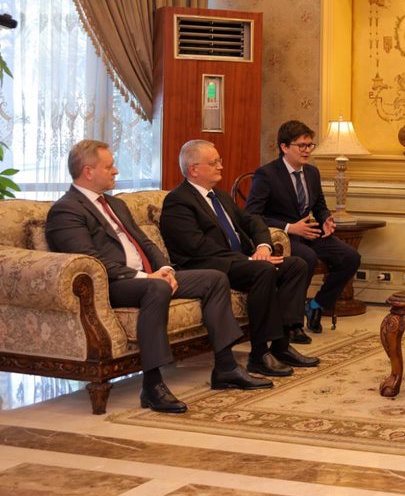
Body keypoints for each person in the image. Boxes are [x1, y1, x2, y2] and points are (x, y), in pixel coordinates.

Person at [45, 140, 270, 414]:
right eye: (109, 166)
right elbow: (90, 260)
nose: (116, 171)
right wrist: (144, 276)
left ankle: (225, 367)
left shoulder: (115, 203)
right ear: (88, 171)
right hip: (112, 284)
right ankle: (152, 385)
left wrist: (166, 270)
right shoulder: (67, 209)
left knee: (214, 279)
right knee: (157, 289)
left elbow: (146, 243)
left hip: (147, 276)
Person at [160, 139, 318, 378]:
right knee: (263, 270)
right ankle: (259, 354)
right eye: (214, 162)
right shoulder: (178, 201)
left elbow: (253, 221)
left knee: (296, 265)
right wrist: (250, 261)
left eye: (220, 161)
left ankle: (282, 346)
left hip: (240, 261)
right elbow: (197, 247)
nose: (220, 166)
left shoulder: (220, 196)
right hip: (210, 265)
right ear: (193, 169)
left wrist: (263, 247)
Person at [245, 120, 361, 336]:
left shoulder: (312, 173)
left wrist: (325, 219)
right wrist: (289, 227)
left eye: (310, 145)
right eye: (302, 146)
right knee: (306, 258)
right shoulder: (267, 174)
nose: (307, 150)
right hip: (282, 236)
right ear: (284, 147)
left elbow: (319, 206)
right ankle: (292, 323)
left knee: (350, 257)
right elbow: (252, 215)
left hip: (308, 232)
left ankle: (316, 305)